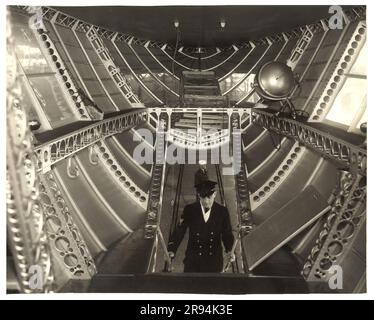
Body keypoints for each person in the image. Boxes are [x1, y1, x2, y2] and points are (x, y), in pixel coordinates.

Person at [167, 180, 235, 273]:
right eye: (203, 197)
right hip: (193, 261)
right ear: (199, 195)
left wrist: (229, 250)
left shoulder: (222, 211)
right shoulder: (190, 210)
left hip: (214, 262)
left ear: (215, 194)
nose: (206, 201)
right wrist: (172, 249)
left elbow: (226, 233)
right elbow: (180, 230)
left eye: (209, 197)